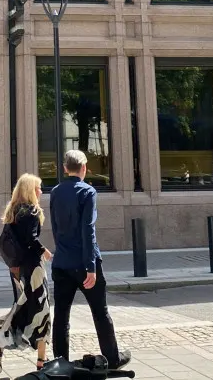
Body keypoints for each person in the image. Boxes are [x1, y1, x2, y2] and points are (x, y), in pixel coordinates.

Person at [50, 149, 130, 369]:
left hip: (62, 262)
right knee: (100, 312)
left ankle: (60, 361)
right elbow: (88, 230)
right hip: (84, 263)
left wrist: (62, 251)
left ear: (65, 168)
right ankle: (112, 358)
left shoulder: (56, 191)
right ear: (84, 168)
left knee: (61, 315)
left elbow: (56, 229)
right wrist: (90, 267)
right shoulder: (88, 192)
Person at [0, 174, 53, 374]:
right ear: (30, 190)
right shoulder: (31, 211)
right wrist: (45, 251)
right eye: (38, 188)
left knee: (25, 306)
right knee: (41, 310)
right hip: (34, 268)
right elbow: (31, 239)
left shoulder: (14, 210)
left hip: (18, 267)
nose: (41, 191)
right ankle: (40, 360)